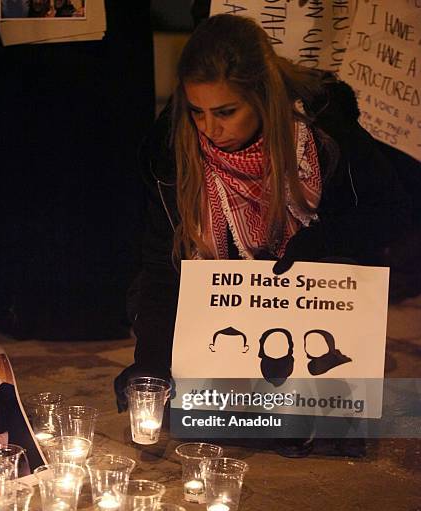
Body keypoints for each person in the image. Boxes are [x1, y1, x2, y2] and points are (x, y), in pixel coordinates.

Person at [114, 14, 411, 453]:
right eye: (198, 112)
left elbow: (390, 212)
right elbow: (161, 268)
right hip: (228, 316)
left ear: (263, 97)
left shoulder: (323, 133)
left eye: (226, 112)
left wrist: (324, 240)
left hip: (313, 305)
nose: (209, 129)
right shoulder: (174, 152)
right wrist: (153, 359)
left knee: (321, 423)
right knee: (192, 414)